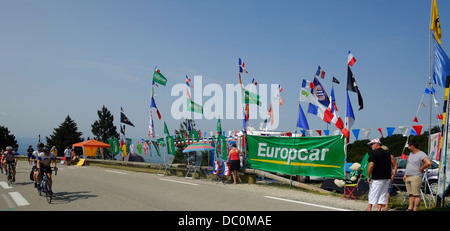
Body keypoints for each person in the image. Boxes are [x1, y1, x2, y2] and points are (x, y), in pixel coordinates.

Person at [403, 139, 431, 211]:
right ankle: (410, 208)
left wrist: (422, 168)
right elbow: (408, 164)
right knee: (410, 194)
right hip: (408, 176)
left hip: (416, 176)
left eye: (408, 146)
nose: (408, 148)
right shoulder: (411, 154)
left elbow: (428, 163)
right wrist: (405, 174)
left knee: (416, 194)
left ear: (412, 146)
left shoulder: (421, 154)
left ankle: (415, 209)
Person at [366, 139, 392, 211]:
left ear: (377, 144)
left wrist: (368, 176)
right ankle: (379, 209)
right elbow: (389, 165)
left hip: (377, 176)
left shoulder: (374, 153)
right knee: (383, 193)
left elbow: (371, 165)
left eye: (372, 144)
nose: (371, 146)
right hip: (387, 176)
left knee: (373, 192)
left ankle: (369, 209)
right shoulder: (387, 153)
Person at [380, 145, 398, 211]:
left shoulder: (390, 157)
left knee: (386, 190)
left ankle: (386, 205)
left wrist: (393, 174)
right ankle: (382, 203)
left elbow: (395, 165)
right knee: (381, 190)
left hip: (388, 175)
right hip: (380, 175)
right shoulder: (380, 157)